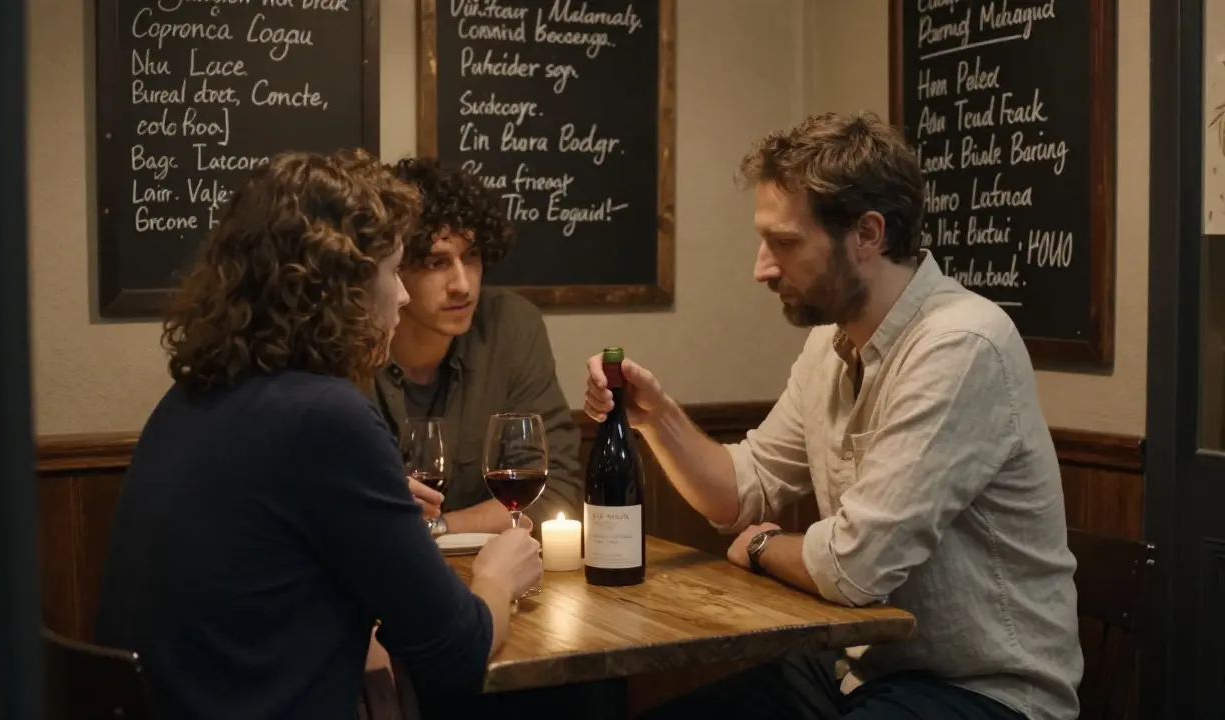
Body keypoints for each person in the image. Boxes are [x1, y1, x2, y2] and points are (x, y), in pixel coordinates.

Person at [582, 112, 1083, 720]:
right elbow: (742, 490)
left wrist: (764, 544)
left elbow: (854, 568)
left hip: (984, 692)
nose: (762, 268)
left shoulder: (961, 344)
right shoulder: (831, 342)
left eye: (785, 243)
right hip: (857, 670)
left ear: (868, 234)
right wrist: (655, 417)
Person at [94, 149, 542, 720]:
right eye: (392, 271)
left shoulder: (191, 397)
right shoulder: (326, 416)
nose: (402, 297)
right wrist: (497, 576)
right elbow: (456, 653)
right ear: (340, 287)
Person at [379, 156, 582, 535]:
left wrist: (437, 527)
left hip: (490, 570)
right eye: (436, 263)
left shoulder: (511, 326)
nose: (463, 285)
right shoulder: (353, 340)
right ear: (393, 267)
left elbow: (555, 490)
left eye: (471, 257)